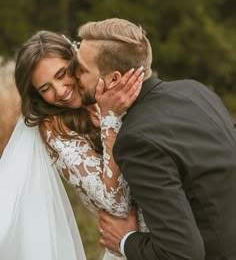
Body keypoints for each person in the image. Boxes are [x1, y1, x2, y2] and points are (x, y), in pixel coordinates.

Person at [75, 18, 236, 260]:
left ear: (114, 80)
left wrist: (125, 240)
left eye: (82, 69)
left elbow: (181, 253)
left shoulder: (136, 140)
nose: (73, 74)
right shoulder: (195, 90)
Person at [0, 30, 144, 260]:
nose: (60, 91)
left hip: (175, 232)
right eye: (45, 88)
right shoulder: (55, 129)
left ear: (78, 62)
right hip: (129, 248)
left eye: (62, 73)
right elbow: (116, 203)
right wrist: (109, 120)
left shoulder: (113, 89)